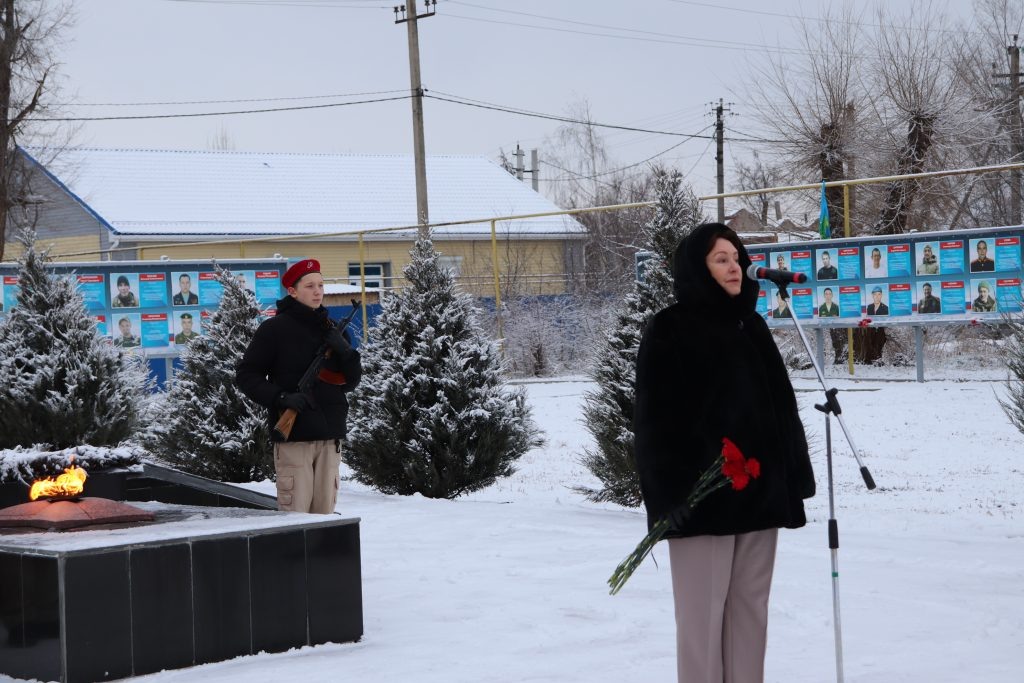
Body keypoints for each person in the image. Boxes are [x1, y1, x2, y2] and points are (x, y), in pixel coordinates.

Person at [634, 223, 815, 683]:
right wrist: (671, 501)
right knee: (701, 620)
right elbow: (655, 425)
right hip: (702, 501)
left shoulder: (751, 325)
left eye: (736, 257)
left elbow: (781, 408)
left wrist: (793, 475)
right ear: (698, 268)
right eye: (721, 259)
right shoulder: (670, 330)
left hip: (758, 496)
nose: (735, 266)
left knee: (750, 613)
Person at [236, 259, 362, 514]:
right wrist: (281, 397)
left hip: (329, 437)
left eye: (320, 285)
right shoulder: (274, 330)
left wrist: (346, 351)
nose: (317, 291)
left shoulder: (335, 332)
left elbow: (350, 382)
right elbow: (246, 375)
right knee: (296, 516)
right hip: (296, 439)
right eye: (309, 286)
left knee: (325, 516)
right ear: (292, 291)